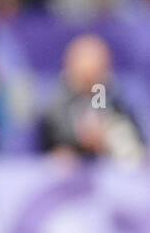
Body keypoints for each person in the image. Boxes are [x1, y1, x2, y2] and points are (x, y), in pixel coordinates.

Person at [38, 34, 144, 164]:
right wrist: (79, 140)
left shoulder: (114, 97)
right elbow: (51, 137)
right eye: (85, 68)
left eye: (97, 67)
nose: (91, 73)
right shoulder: (56, 101)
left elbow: (135, 140)